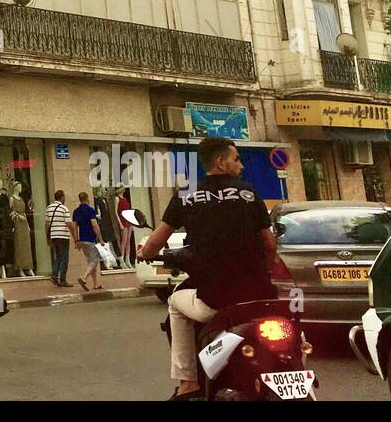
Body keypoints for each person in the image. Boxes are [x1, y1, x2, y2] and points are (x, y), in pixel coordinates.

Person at [137, 136, 277, 400]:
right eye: (237, 160)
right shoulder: (249, 193)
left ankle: (188, 382)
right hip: (260, 295)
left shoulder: (186, 194)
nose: (241, 166)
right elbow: (269, 242)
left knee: (175, 303)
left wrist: (145, 252)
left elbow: (157, 240)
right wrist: (265, 270)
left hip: (216, 300)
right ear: (221, 162)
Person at [73, 191, 103, 291]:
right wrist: (101, 239)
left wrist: (76, 240)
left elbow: (74, 226)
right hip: (90, 238)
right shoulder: (90, 210)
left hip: (81, 239)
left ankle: (96, 284)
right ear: (87, 198)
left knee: (91, 261)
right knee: (95, 260)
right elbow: (94, 225)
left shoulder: (76, 211)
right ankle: (84, 277)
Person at [45, 190, 75, 287]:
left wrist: (47, 237)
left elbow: (46, 224)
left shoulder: (49, 208)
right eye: (64, 197)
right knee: (64, 258)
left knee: (58, 257)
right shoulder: (63, 208)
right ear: (62, 197)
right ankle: (62, 280)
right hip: (63, 236)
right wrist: (75, 236)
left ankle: (54, 275)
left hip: (53, 236)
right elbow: (69, 224)